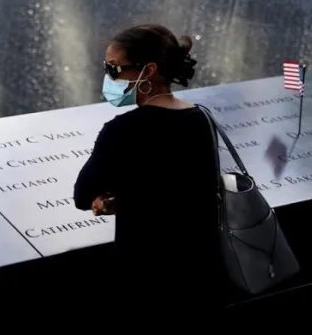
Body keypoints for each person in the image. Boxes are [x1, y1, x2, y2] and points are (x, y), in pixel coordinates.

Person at [73, 24, 222, 308]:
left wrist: (113, 199)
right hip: (200, 269)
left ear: (149, 71)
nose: (109, 77)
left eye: (115, 69)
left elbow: (82, 195)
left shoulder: (123, 130)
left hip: (146, 273)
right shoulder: (200, 118)